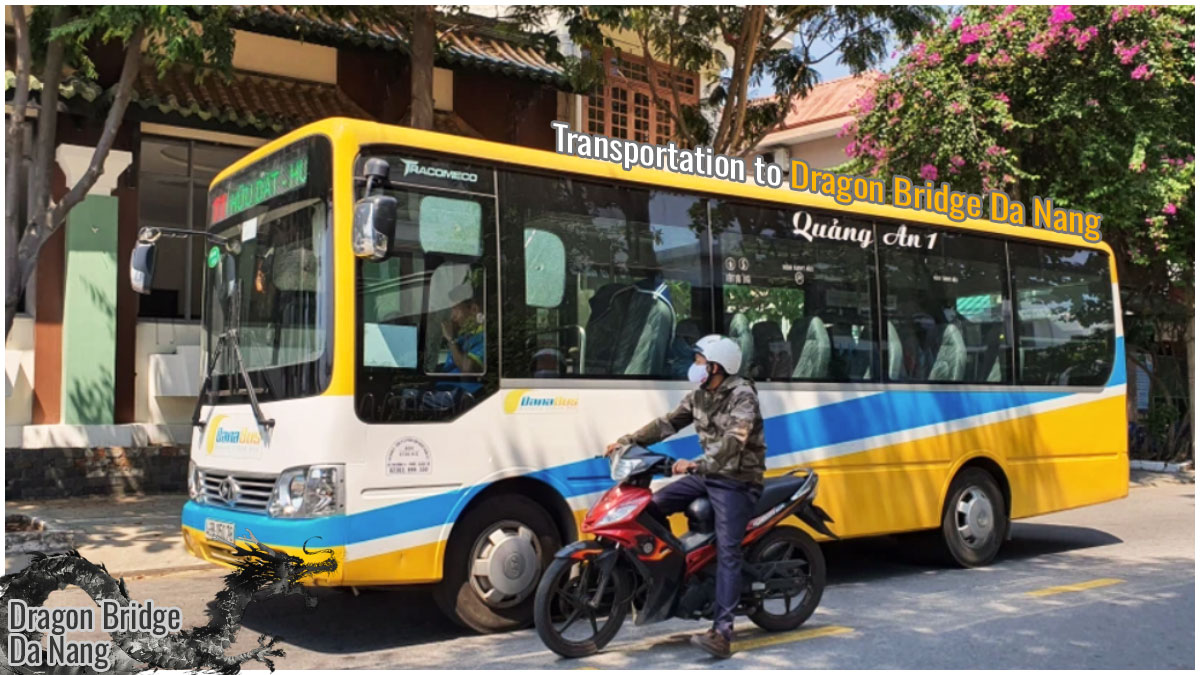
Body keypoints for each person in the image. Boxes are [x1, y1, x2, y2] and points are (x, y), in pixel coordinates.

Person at [605, 334, 766, 658]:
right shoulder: (699, 396)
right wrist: (627, 441)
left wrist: (696, 464)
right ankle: (677, 571)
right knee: (649, 508)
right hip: (706, 476)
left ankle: (722, 633)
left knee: (729, 551)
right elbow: (667, 424)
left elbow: (735, 440)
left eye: (699, 361)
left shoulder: (742, 394)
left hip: (736, 480)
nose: (694, 366)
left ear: (716, 366)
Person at [440, 286, 485, 374]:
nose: (452, 316)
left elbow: (468, 369)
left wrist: (451, 340)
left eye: (455, 309)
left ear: (473, 309)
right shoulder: (466, 335)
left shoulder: (482, 337)